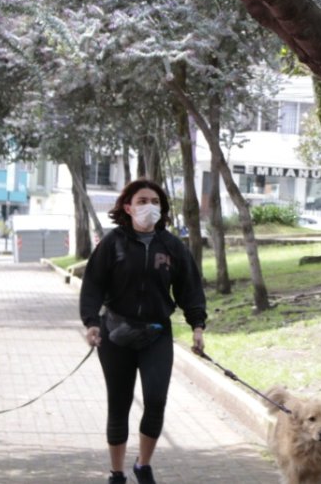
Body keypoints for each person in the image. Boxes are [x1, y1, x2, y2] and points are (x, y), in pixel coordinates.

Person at [80, 179, 207, 484]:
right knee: (119, 402)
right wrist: (91, 322)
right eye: (141, 201)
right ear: (128, 207)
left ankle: (143, 464)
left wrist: (197, 326)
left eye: (154, 201)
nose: (149, 206)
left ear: (161, 208)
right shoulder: (114, 243)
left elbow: (190, 288)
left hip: (156, 335)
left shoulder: (172, 246)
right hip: (116, 335)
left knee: (155, 399)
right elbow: (93, 284)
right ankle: (117, 472)